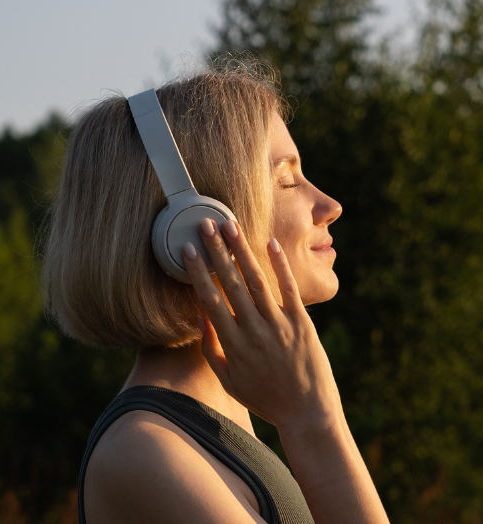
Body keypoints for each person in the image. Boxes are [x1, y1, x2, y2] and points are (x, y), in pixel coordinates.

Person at [41, 60, 389, 524]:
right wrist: (315, 420)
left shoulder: (222, 420)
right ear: (192, 227)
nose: (329, 205)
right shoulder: (147, 452)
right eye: (287, 180)